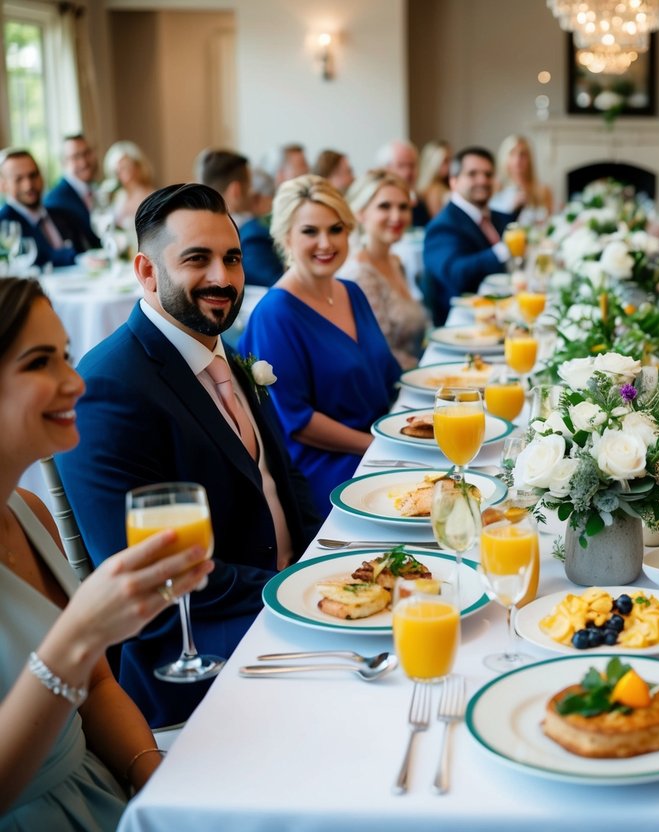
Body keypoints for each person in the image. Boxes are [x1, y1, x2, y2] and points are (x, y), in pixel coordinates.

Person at [57, 183, 321, 727]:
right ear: (147, 272)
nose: (223, 278)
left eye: (232, 258)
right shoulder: (110, 388)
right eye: (196, 260)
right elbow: (147, 578)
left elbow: (282, 477)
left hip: (286, 599)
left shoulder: (224, 349)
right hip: (197, 643)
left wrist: (329, 561)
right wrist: (298, 591)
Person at [0, 278, 215, 828]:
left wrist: (150, 776)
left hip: (103, 790)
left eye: (66, 357)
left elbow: (96, 685)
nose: (74, 381)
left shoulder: (29, 510)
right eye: (40, 363)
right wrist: (82, 633)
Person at [239, 175, 401, 512]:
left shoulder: (351, 292)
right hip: (326, 466)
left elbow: (389, 375)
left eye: (336, 229)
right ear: (286, 237)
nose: (326, 243)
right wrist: (380, 446)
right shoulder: (276, 314)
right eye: (310, 232)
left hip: (376, 442)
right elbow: (298, 423)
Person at [340, 169, 428, 368]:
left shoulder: (395, 260)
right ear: (360, 213)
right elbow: (380, 353)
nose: (396, 216)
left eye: (403, 207)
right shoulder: (359, 274)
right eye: (384, 206)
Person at [421, 146, 513, 326]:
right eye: (472, 174)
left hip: (503, 314)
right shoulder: (443, 226)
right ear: (453, 181)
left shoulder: (498, 218)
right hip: (465, 326)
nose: (482, 180)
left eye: (488, 174)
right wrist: (502, 251)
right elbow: (455, 274)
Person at [196, 148, 283, 287]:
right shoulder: (249, 233)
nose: (253, 194)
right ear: (235, 190)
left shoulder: (193, 228)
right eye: (249, 187)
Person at [0, 148, 93, 268]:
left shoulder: (61, 213)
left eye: (33, 175)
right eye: (19, 179)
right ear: (3, 185)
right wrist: (79, 259)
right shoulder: (4, 224)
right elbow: (38, 258)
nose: (28, 185)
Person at [45, 135, 102, 250]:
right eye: (76, 157)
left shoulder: (96, 189)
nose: (84, 162)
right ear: (63, 163)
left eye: (87, 153)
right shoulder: (56, 201)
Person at [489, 134, 553, 225]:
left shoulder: (543, 190)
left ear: (529, 159)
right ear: (505, 157)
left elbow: (549, 222)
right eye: (512, 153)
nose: (518, 159)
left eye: (523, 154)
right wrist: (513, 209)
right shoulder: (495, 188)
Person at [101, 141, 155, 229]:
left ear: (137, 166)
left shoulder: (150, 197)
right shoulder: (118, 197)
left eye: (124, 167)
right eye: (117, 170)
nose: (119, 173)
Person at [376, 138, 430, 227]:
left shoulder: (419, 200)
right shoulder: (377, 201)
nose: (408, 172)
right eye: (401, 165)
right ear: (386, 168)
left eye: (412, 165)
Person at [418, 139, 452, 222]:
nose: (451, 164)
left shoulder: (444, 185)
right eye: (445, 161)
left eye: (451, 159)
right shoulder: (434, 190)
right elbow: (438, 220)